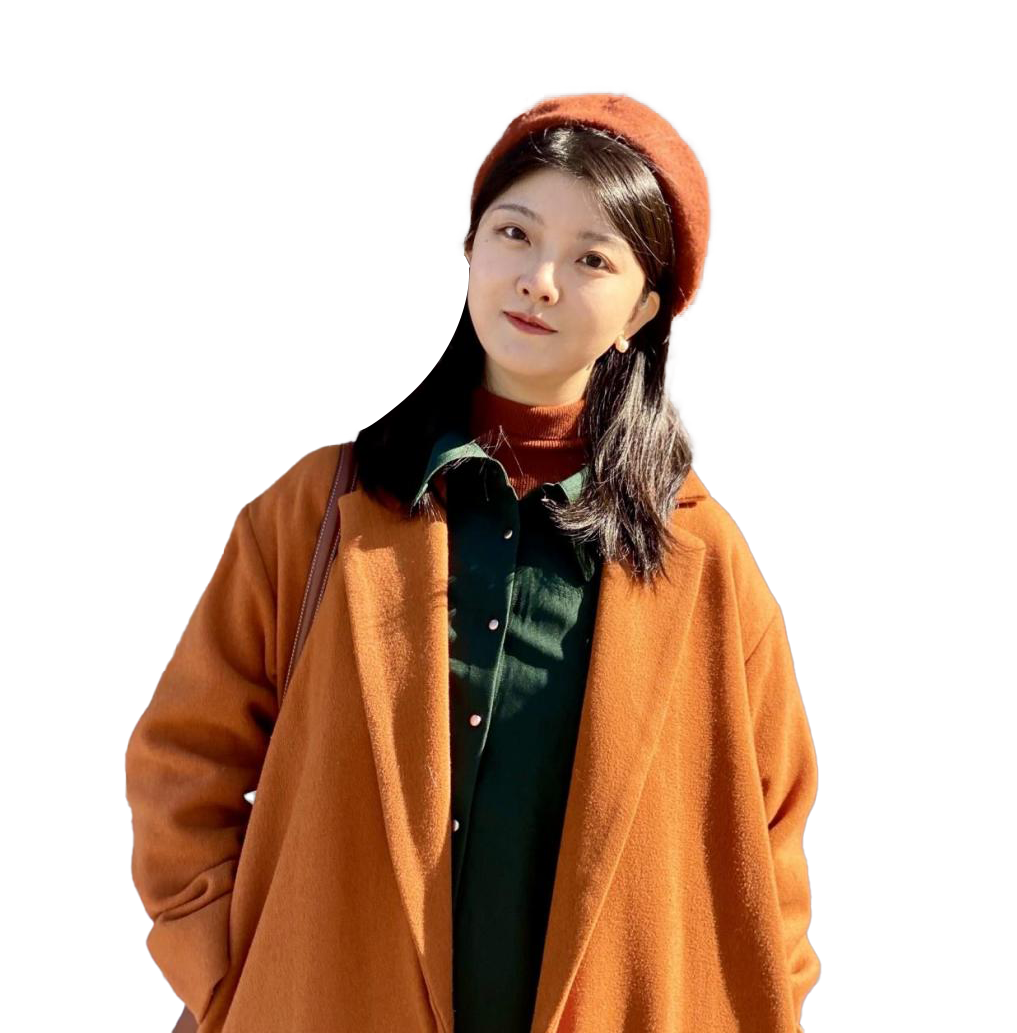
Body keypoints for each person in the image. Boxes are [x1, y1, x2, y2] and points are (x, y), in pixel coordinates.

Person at [125, 92, 821, 1033]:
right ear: (470, 255)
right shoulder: (316, 511)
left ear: (642, 309)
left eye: (591, 258)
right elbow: (181, 764)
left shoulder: (702, 559)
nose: (539, 280)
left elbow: (771, 842)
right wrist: (234, 978)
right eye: (514, 233)